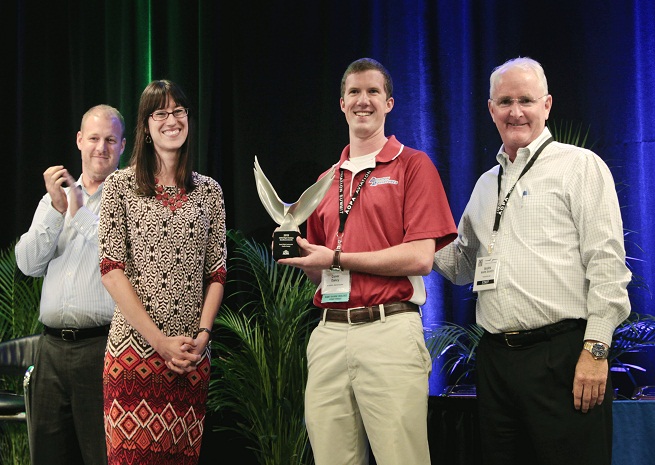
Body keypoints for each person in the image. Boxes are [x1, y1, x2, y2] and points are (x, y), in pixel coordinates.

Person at [432, 57, 632, 465]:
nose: (515, 111)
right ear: (491, 110)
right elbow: (460, 264)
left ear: (547, 105)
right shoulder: (487, 184)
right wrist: (406, 233)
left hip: (562, 356)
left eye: (526, 100)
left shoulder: (579, 166)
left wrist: (595, 352)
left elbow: (608, 268)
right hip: (496, 364)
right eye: (505, 101)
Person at [278, 57, 457, 465]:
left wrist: (337, 256)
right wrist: (301, 256)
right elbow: (322, 273)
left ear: (389, 103)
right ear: (341, 103)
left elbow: (420, 257)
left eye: (373, 92)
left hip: (389, 329)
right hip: (328, 334)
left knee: (402, 457)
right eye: (354, 92)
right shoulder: (325, 182)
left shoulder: (413, 165)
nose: (363, 100)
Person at [98, 80, 226, 465]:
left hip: (190, 358)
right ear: (145, 126)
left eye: (179, 111)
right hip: (133, 357)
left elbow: (217, 274)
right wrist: (159, 342)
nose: (171, 120)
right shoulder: (119, 186)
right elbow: (110, 269)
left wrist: (202, 337)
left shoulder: (210, 192)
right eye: (160, 113)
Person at [15, 104, 126, 465]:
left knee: (100, 455)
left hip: (101, 349)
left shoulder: (127, 200)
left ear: (122, 146)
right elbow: (28, 264)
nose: (101, 147)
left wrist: (78, 212)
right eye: (93, 138)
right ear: (79, 141)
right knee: (48, 456)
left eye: (110, 140)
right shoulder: (55, 199)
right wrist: (55, 207)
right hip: (49, 351)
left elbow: (113, 257)